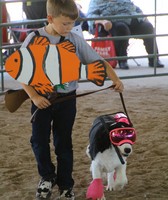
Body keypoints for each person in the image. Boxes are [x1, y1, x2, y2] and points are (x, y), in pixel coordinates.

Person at [20, 0, 124, 199]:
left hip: (67, 100)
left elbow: (98, 61)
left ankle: (66, 184)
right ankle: (47, 177)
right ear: (50, 18)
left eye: (71, 24)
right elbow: (21, 71)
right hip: (40, 99)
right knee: (39, 141)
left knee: (64, 143)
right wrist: (33, 96)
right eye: (65, 24)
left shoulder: (75, 39)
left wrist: (115, 79)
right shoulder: (34, 39)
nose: (69, 28)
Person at [87, 0, 164, 69]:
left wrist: (143, 17)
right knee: (122, 28)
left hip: (131, 20)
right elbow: (91, 16)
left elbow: (135, 8)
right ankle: (122, 60)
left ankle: (154, 59)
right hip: (112, 23)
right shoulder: (96, 1)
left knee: (148, 27)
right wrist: (103, 21)